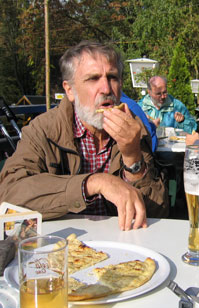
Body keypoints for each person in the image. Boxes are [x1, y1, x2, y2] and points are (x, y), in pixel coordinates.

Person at [0, 41, 169, 231]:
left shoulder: (132, 129)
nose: (106, 89)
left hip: (120, 242)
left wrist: (132, 156)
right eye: (93, 78)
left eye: (112, 77)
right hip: (63, 245)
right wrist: (94, 183)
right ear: (70, 90)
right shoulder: (43, 130)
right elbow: (9, 194)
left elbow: (157, 215)